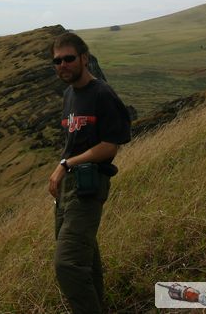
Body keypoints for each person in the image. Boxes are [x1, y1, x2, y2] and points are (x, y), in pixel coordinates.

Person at [48, 32, 131, 314]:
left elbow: (110, 146)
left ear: (84, 58)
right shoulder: (70, 95)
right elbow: (73, 142)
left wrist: (66, 165)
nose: (63, 65)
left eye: (69, 58)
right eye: (57, 61)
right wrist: (61, 168)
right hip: (68, 187)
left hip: (90, 184)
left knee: (68, 263)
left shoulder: (102, 94)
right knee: (85, 258)